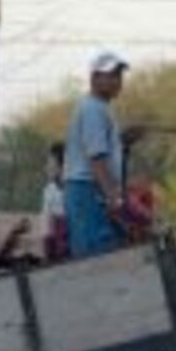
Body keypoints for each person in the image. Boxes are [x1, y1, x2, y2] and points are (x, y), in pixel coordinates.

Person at [63, 51, 144, 257]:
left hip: (91, 191)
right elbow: (96, 159)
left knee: (104, 250)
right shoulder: (93, 109)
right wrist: (113, 198)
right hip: (87, 191)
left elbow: (100, 149)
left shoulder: (99, 108)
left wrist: (122, 140)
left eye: (119, 76)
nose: (118, 81)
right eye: (112, 75)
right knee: (94, 257)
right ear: (94, 78)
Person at [41, 142, 68, 261]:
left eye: (50, 162)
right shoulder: (49, 190)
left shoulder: (75, 189)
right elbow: (46, 223)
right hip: (56, 245)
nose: (46, 167)